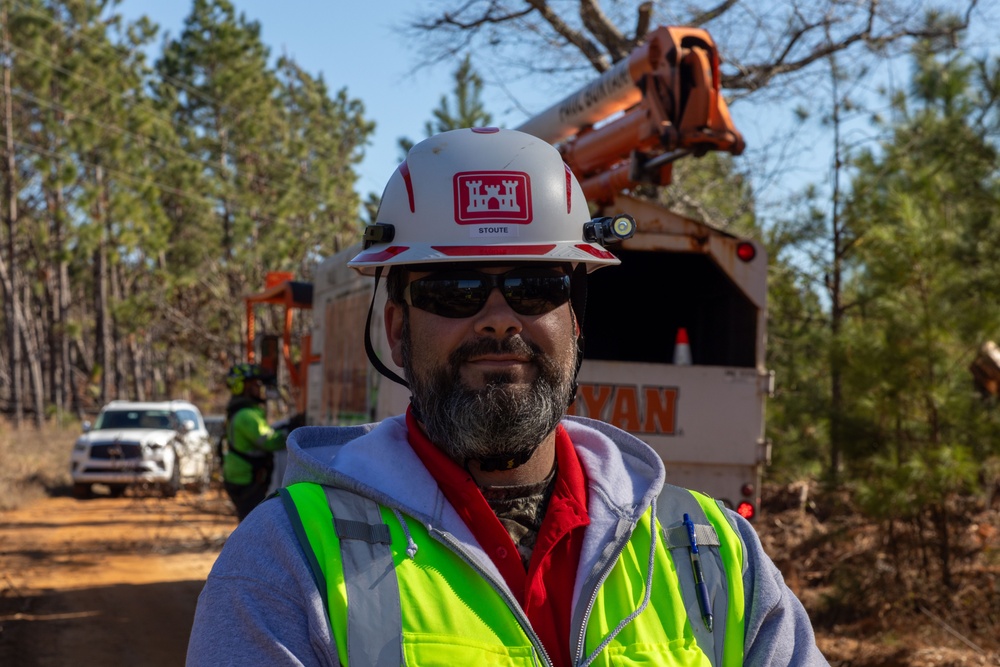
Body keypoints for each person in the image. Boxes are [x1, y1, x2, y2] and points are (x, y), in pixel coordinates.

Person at [188, 128, 829, 665]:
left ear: (574, 321)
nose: (499, 319)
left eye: (533, 284)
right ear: (397, 327)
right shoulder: (285, 562)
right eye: (455, 289)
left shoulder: (712, 554)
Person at [220, 362, 292, 522]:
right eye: (255, 384)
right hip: (246, 480)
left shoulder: (242, 411)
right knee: (253, 524)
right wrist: (294, 431)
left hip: (240, 477)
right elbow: (270, 442)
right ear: (243, 387)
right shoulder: (247, 416)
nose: (260, 388)